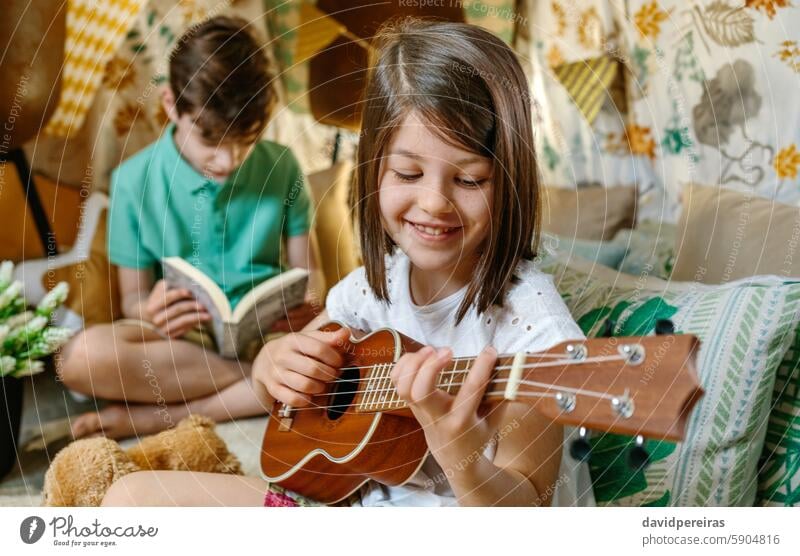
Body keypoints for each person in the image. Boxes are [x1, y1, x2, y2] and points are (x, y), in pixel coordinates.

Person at [101, 18, 594, 507]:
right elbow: (287, 394)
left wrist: (460, 451)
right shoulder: (367, 292)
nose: (434, 203)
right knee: (129, 498)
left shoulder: (534, 334)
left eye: (469, 180)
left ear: (509, 179)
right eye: (407, 172)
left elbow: (525, 512)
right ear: (374, 167)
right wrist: (271, 366)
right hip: (344, 506)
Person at [58, 15, 323, 440]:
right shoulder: (133, 181)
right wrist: (150, 310)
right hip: (185, 345)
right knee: (78, 358)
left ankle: (170, 416)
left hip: (272, 336)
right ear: (170, 105)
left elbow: (312, 277)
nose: (228, 160)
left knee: (337, 341)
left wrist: (308, 303)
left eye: (246, 140)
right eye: (210, 140)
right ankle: (260, 383)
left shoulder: (283, 164)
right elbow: (132, 298)